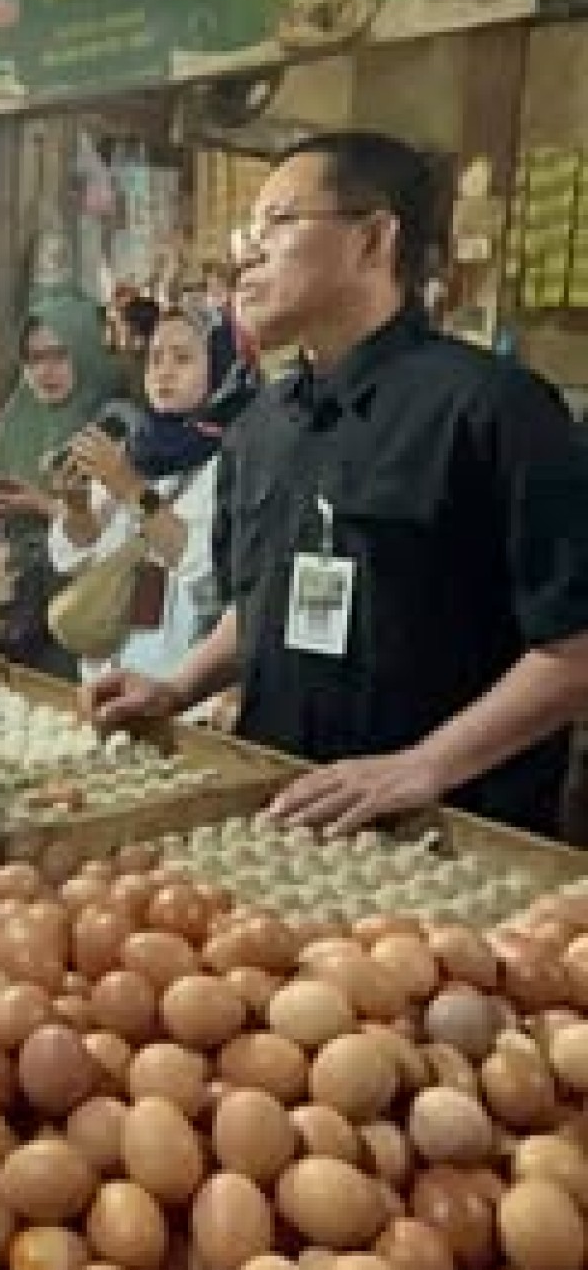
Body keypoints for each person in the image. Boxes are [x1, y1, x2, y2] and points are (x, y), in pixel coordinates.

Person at [90, 133, 588, 836]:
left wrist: (424, 766)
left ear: (373, 239)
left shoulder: (493, 410)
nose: (246, 253)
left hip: (444, 838)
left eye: (278, 222)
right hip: (278, 814)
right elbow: (256, 605)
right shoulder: (259, 425)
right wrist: (176, 686)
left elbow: (572, 649)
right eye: (248, 230)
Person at [49, 309, 243, 689]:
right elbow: (74, 559)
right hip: (105, 672)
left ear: (222, 369)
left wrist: (131, 489)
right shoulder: (131, 448)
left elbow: (207, 570)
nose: (163, 372)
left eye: (182, 359)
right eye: (155, 359)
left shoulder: (235, 460)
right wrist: (76, 507)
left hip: (179, 685)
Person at [0, 296, 123, 673]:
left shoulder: (117, 423)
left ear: (86, 351)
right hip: (15, 603)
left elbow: (125, 531)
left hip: (84, 612)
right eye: (33, 358)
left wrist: (41, 504)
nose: (44, 371)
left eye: (59, 355)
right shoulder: (17, 417)